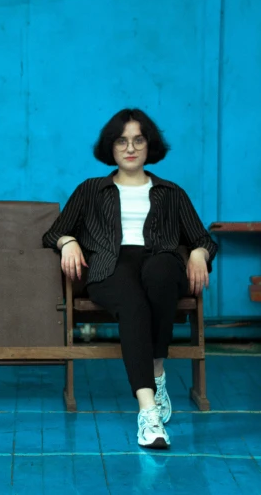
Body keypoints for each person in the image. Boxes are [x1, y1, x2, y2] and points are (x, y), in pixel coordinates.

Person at [42, 108, 218, 449]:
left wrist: (199, 252)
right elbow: (53, 233)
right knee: (134, 305)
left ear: (150, 146)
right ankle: (148, 410)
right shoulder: (91, 190)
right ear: (111, 147)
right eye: (122, 141)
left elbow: (204, 238)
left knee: (162, 269)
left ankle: (155, 367)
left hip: (160, 264)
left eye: (138, 140)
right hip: (109, 265)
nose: (130, 148)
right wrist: (69, 241)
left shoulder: (171, 193)